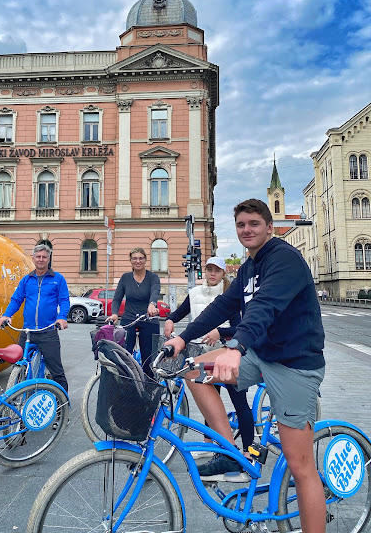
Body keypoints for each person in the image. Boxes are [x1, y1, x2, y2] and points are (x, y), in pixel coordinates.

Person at [165, 199, 326, 533]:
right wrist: (182, 339)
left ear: (269, 227)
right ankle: (230, 451)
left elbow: (264, 307)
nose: (247, 230)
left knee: (301, 466)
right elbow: (224, 304)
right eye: (241, 225)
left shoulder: (284, 259)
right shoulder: (249, 267)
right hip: (262, 356)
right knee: (192, 370)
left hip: (295, 365)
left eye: (254, 223)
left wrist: (235, 346)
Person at [164, 256, 254, 464]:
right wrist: (170, 319)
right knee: (210, 403)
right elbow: (181, 312)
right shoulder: (195, 293)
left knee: (239, 403)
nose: (212, 274)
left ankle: (248, 451)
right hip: (203, 353)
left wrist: (220, 332)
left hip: (228, 353)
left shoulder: (229, 295)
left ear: (223, 274)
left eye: (217, 271)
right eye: (209, 270)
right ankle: (209, 445)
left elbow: (240, 327)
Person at [0, 244, 70, 392]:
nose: (41, 259)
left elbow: (64, 300)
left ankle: (63, 405)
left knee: (57, 372)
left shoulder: (58, 279)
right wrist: (6, 315)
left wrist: (62, 317)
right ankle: (13, 404)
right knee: (18, 367)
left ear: (49, 259)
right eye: (38, 257)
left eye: (44, 257)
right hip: (28, 332)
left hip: (48, 332)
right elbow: (16, 300)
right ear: (33, 258)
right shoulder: (26, 280)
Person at [106, 247, 160, 378]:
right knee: (124, 356)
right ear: (130, 260)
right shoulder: (125, 278)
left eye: (141, 258)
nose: (138, 261)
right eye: (134, 258)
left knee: (149, 360)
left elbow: (155, 292)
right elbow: (117, 298)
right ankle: (126, 386)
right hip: (129, 318)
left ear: (146, 260)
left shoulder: (153, 277)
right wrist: (114, 314)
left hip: (148, 318)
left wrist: (152, 304)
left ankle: (149, 387)